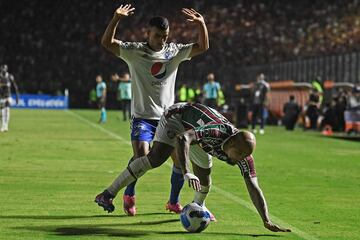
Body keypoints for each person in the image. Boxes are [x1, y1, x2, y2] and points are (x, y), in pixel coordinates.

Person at [95, 102, 291, 233]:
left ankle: (199, 206)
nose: (242, 159)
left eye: (246, 156)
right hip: (177, 117)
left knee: (204, 176)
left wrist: (265, 219)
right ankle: (108, 193)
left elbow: (253, 186)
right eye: (240, 154)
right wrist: (187, 171)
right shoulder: (214, 133)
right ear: (231, 144)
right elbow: (183, 138)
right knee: (156, 158)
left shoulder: (243, 155)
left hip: (196, 134)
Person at [99, 4, 209, 216]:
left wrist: (202, 24)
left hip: (168, 119)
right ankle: (129, 194)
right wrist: (116, 19)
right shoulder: (134, 51)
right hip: (142, 117)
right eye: (158, 35)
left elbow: (202, 47)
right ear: (147, 33)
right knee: (142, 155)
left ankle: (173, 202)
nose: (162, 40)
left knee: (179, 158)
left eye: (165, 36)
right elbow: (107, 43)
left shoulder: (173, 51)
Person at [0, 64, 19, 132]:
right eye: (2, 68)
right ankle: (2, 126)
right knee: (2, 112)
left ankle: (6, 126)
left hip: (8, 96)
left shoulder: (10, 76)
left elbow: (15, 86)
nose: (3, 69)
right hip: (1, 97)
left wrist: (17, 97)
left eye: (5, 68)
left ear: (6, 69)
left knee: (7, 110)